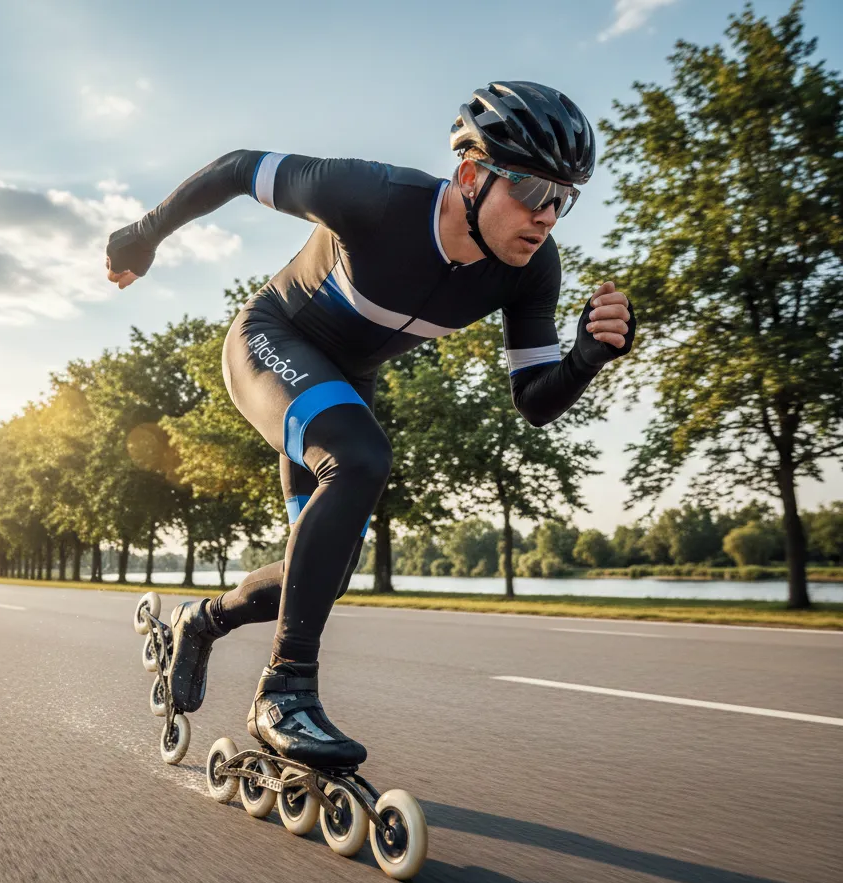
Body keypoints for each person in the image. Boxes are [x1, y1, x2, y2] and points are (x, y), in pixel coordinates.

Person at [106, 81, 635, 768]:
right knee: (361, 459)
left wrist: (588, 358)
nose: (547, 217)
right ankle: (285, 693)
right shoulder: (375, 198)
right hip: (272, 341)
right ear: (471, 175)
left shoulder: (529, 271)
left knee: (327, 570)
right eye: (534, 191)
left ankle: (198, 623)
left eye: (565, 199)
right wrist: (141, 237)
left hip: (346, 377)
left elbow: (533, 400)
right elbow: (240, 167)